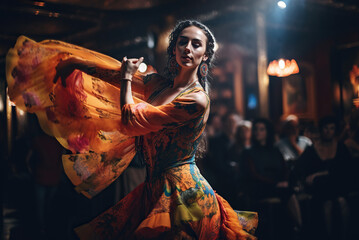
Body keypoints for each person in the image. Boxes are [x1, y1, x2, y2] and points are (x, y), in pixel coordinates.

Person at [7, 20, 257, 239]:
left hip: (184, 195)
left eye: (196, 44)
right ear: (174, 48)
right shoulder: (157, 85)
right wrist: (76, 63)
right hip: (152, 187)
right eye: (183, 42)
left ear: (205, 56)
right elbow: (115, 75)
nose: (188, 49)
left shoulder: (196, 100)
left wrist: (127, 78)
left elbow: (130, 122)